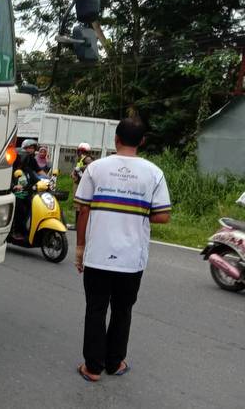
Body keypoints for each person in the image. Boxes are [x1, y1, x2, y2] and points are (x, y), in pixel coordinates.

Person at [74, 117, 171, 382]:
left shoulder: (96, 168)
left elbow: (82, 209)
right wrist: (135, 211)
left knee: (95, 309)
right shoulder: (154, 172)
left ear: (115, 139)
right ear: (142, 141)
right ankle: (115, 363)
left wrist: (80, 248)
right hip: (131, 260)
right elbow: (163, 216)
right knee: (122, 310)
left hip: (97, 256)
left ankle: (92, 368)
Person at [71, 142, 92, 227]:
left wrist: (80, 168)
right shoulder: (80, 159)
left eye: (83, 151)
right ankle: (77, 224)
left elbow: (90, 165)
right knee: (77, 205)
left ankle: (78, 224)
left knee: (79, 205)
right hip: (78, 183)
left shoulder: (87, 158)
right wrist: (74, 172)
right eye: (80, 151)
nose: (81, 153)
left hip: (81, 184)